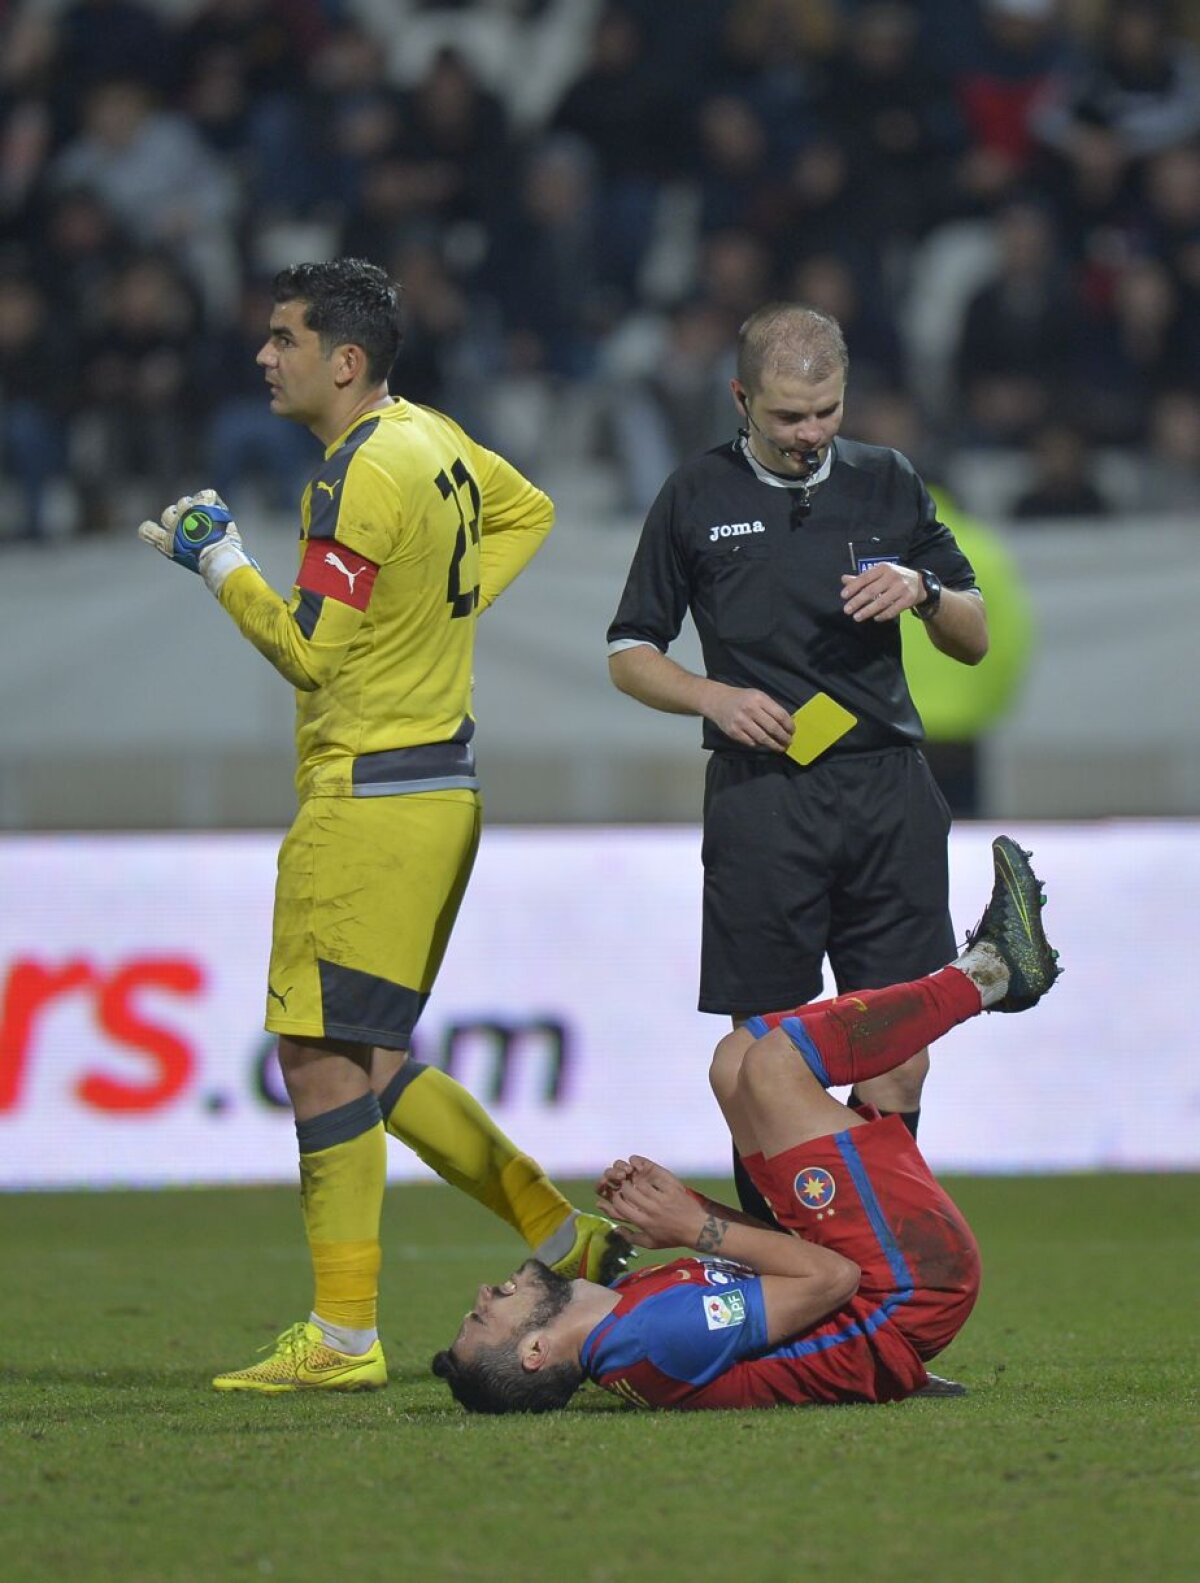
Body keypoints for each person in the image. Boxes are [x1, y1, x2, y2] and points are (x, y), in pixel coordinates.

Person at [138, 257, 628, 1393]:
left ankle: (343, 1336)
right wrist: (433, 617)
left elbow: (309, 650)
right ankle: (568, 1238)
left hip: (367, 798)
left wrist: (219, 561)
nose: (265, 356)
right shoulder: (435, 437)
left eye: (284, 338)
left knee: (315, 1059)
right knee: (379, 1061)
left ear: (343, 361)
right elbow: (528, 510)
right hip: (440, 785)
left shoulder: (355, 473)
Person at [431, 834, 1061, 1414]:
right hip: (908, 1293)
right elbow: (830, 1278)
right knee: (773, 1068)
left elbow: (794, 1272)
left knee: (736, 1062)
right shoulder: (655, 1338)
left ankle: (964, 990)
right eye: (482, 1319)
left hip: (878, 1292)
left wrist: (683, 1210)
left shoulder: (629, 1325)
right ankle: (989, 975)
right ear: (534, 1352)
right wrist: (695, 1228)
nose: (485, 1293)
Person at [606, 302, 988, 1224]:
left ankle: (880, 1281)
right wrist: (712, 696)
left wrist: (925, 590)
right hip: (763, 798)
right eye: (787, 417)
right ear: (742, 400)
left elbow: (972, 636)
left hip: (887, 789)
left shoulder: (888, 480)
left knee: (899, 1049)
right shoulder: (695, 496)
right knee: (760, 1056)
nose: (811, 433)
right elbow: (628, 650)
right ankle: (786, 1278)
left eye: (827, 412)